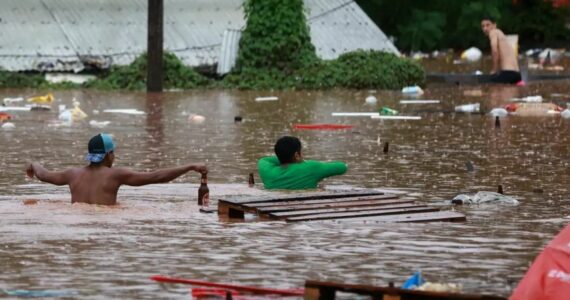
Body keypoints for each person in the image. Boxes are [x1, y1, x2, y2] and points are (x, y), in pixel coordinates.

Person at [25, 133, 207, 205]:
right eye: (113, 152)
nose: (114, 156)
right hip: (105, 224)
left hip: (77, 220)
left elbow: (43, 175)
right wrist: (190, 166)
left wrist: (33, 164)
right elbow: (157, 177)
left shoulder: (72, 174)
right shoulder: (116, 175)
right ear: (107, 155)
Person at [258, 136, 347, 190]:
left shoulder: (267, 171)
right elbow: (342, 167)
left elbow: (264, 160)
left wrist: (283, 157)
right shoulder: (311, 168)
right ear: (297, 155)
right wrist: (303, 162)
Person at [480, 16, 521, 84]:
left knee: (489, 89)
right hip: (517, 74)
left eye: (488, 25)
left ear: (494, 25)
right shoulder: (502, 36)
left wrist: (494, 69)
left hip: (508, 73)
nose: (485, 28)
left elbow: (494, 50)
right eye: (483, 26)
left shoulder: (493, 32)